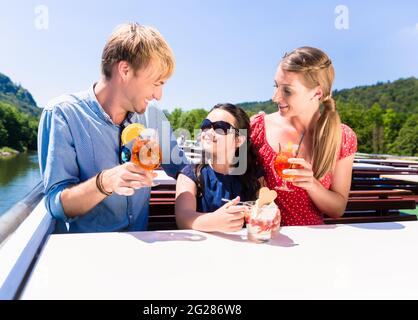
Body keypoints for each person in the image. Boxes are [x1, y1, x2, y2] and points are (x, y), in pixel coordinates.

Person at [38, 22, 187, 233]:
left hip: (142, 249)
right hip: (86, 254)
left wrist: (191, 216)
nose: (158, 96)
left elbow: (182, 169)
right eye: (156, 83)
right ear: (125, 70)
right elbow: (57, 205)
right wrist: (104, 182)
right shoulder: (63, 114)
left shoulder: (153, 116)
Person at [250, 46, 357, 226]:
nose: (274, 97)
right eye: (276, 86)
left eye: (287, 90)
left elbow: (338, 209)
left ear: (317, 93)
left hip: (312, 243)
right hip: (264, 236)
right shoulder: (257, 127)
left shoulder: (342, 137)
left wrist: (311, 184)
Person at [175, 103, 275, 232]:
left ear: (239, 140)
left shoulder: (254, 175)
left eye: (220, 127)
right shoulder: (190, 175)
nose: (209, 132)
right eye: (206, 125)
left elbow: (266, 208)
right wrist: (214, 221)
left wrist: (270, 214)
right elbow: (183, 218)